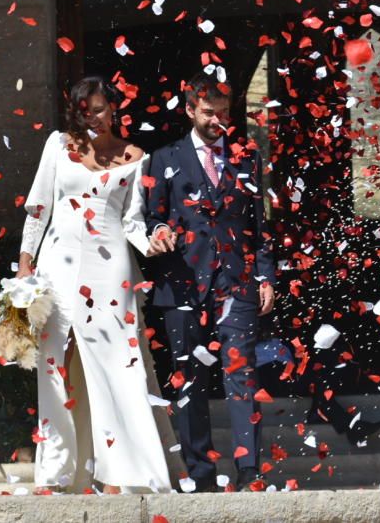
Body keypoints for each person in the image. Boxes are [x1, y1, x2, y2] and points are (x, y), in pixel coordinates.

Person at [17, 76, 173, 494]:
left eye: (101, 108)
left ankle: (122, 471)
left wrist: (152, 242)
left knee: (117, 365)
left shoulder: (136, 156)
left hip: (111, 269)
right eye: (85, 111)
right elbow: (38, 207)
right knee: (55, 364)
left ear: (114, 108)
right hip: (57, 263)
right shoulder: (57, 145)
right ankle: (56, 473)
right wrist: (24, 266)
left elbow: (133, 221)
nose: (94, 117)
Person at [144, 75, 276, 492]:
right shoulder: (163, 157)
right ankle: (199, 474)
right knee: (189, 379)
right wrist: (160, 229)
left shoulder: (247, 158)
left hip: (236, 282)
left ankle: (249, 470)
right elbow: (151, 216)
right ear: (189, 110)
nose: (218, 119)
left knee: (242, 375)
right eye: (208, 112)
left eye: (223, 111)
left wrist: (266, 275)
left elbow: (260, 225)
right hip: (182, 283)